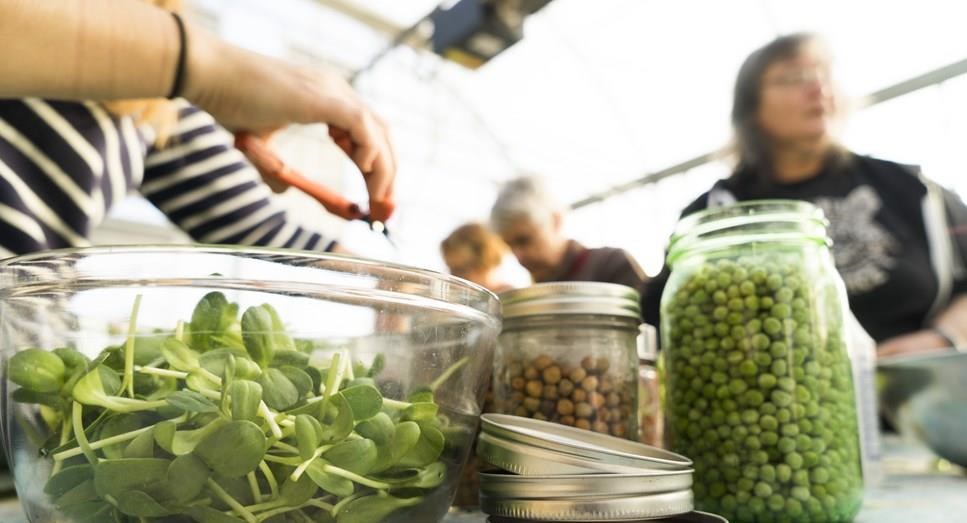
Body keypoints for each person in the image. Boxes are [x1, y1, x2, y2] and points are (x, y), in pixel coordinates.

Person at [642, 33, 967, 357]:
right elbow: (663, 321)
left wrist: (944, 338)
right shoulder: (713, 215)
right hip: (775, 398)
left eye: (824, 75)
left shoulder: (911, 188)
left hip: (919, 396)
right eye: (793, 78)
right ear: (750, 107)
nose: (818, 88)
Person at [0, 0, 395, 256]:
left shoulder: (158, 103)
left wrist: (396, 287)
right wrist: (207, 67)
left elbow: (269, 232)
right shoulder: (186, 70)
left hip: (18, 347)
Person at [490, 176, 647, 290]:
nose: (519, 256)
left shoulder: (612, 266)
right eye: (510, 246)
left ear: (556, 220)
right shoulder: (534, 293)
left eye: (524, 240)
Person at [441, 222, 512, 292]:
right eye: (451, 270)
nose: (454, 277)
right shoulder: (454, 297)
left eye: (461, 270)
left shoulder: (507, 297)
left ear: (485, 264)